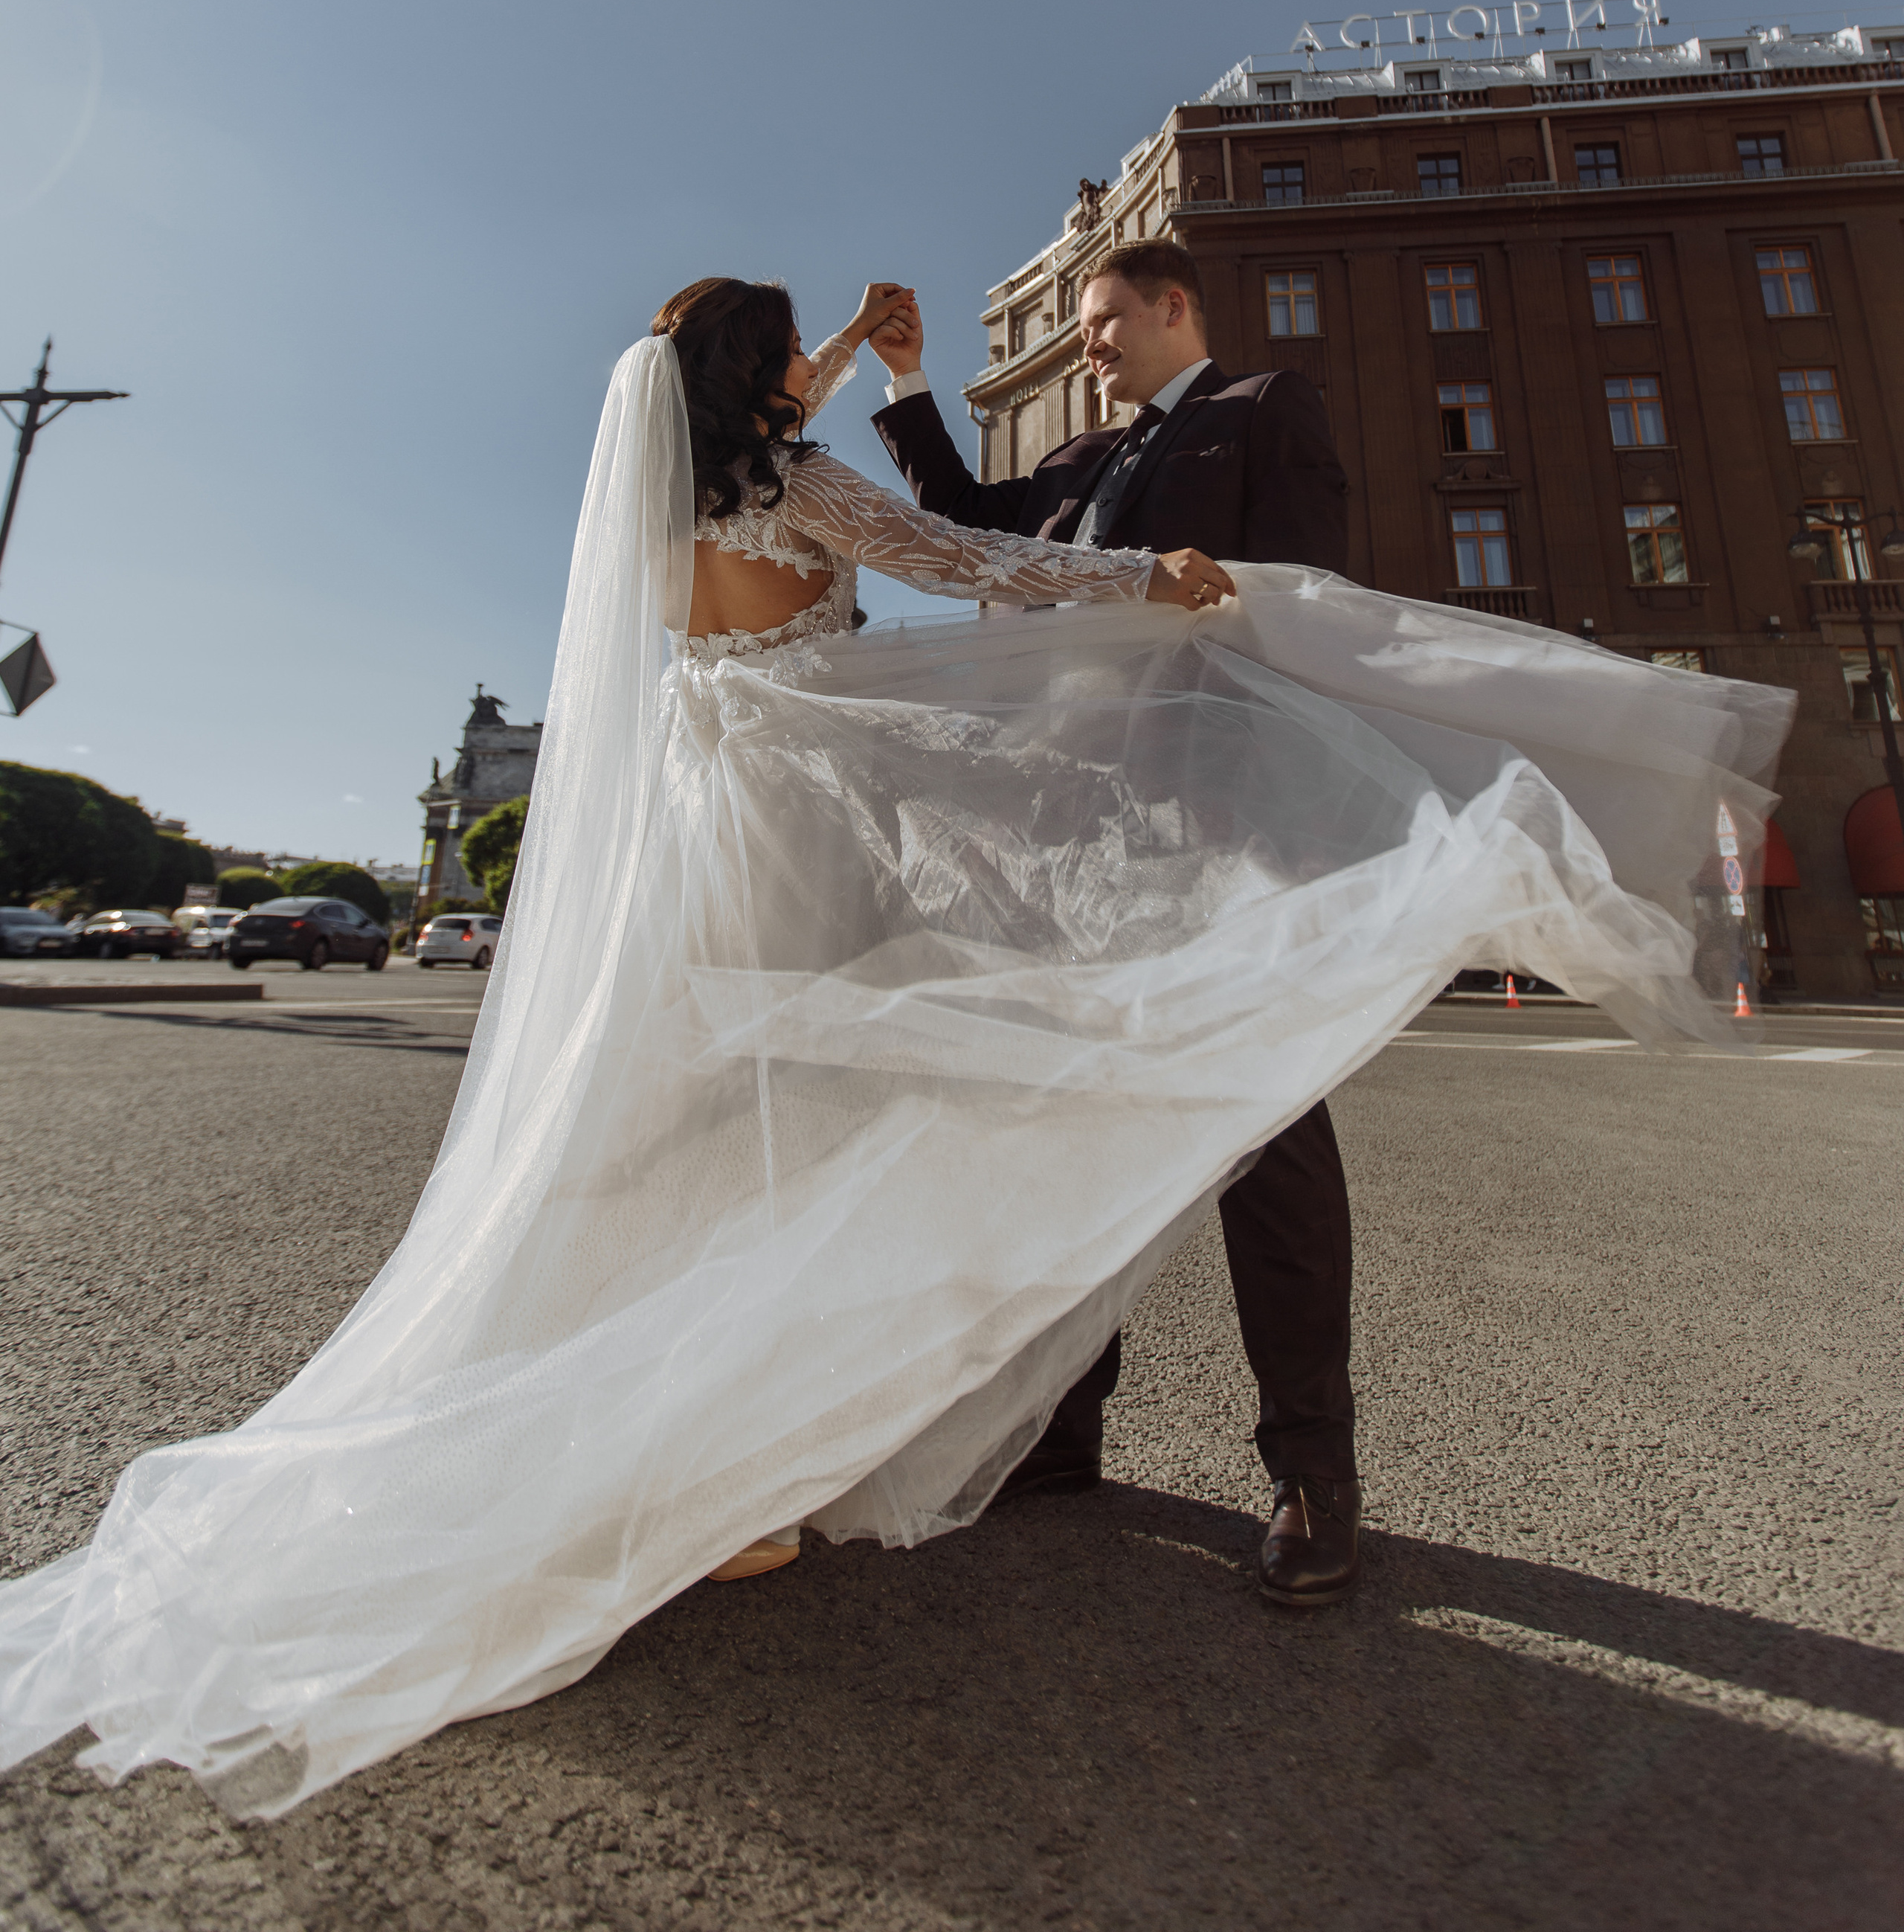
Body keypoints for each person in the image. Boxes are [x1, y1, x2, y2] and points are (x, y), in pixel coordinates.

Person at [0, 274, 1790, 1818]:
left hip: (686, 833)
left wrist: (849, 348)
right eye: (797, 363)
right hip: (802, 832)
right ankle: (752, 1464)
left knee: (696, 1131)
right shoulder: (794, 478)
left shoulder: (656, 496)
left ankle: (703, 1457)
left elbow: (786, 447)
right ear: (758, 387)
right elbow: (961, 559)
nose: (809, 382)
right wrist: (1147, 580)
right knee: (841, 1115)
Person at [869, 240, 1366, 1604]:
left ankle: (1314, 1472)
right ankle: (1060, 1432)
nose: (1089, 344)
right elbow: (966, 522)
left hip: (1219, 827)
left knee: (1265, 1139)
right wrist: (910, 379)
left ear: (1173, 308)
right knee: (1071, 1123)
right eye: (1079, 328)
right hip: (1073, 838)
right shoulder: (1078, 471)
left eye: (1103, 321)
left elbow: (1307, 604)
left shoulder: (1263, 411)